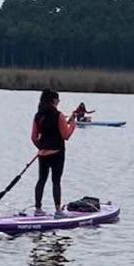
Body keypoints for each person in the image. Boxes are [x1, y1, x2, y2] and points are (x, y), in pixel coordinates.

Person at [30, 89, 77, 217]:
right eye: (57, 99)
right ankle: (58, 210)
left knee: (41, 180)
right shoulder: (59, 115)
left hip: (43, 154)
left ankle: (38, 209)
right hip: (57, 153)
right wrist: (73, 124)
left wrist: (41, 147)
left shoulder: (38, 116)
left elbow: (34, 137)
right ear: (53, 100)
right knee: (56, 181)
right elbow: (66, 135)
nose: (59, 101)